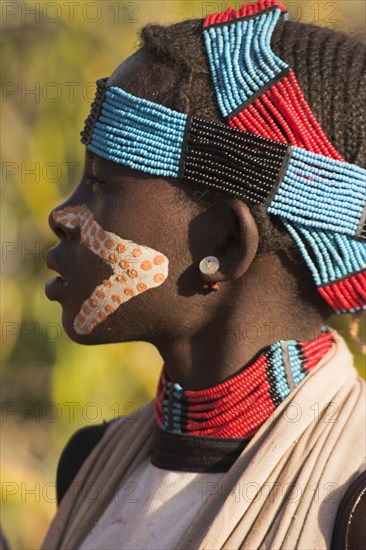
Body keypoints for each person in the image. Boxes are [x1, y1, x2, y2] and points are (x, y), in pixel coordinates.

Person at [42, 0, 366, 548]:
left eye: (100, 184)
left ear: (224, 243)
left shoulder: (350, 504)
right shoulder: (89, 464)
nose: (62, 216)